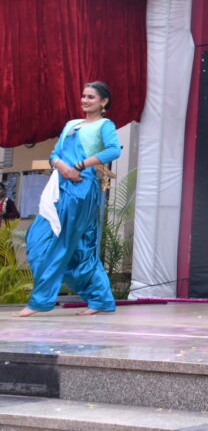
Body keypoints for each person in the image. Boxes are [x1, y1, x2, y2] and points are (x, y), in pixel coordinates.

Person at [13, 82, 120, 317]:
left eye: (91, 97)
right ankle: (100, 298)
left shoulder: (104, 125)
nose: (85, 100)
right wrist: (62, 166)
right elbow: (54, 154)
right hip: (60, 185)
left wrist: (80, 165)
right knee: (57, 242)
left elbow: (114, 150)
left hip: (81, 189)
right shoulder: (72, 124)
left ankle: (40, 301)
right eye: (83, 96)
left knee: (60, 241)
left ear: (103, 102)